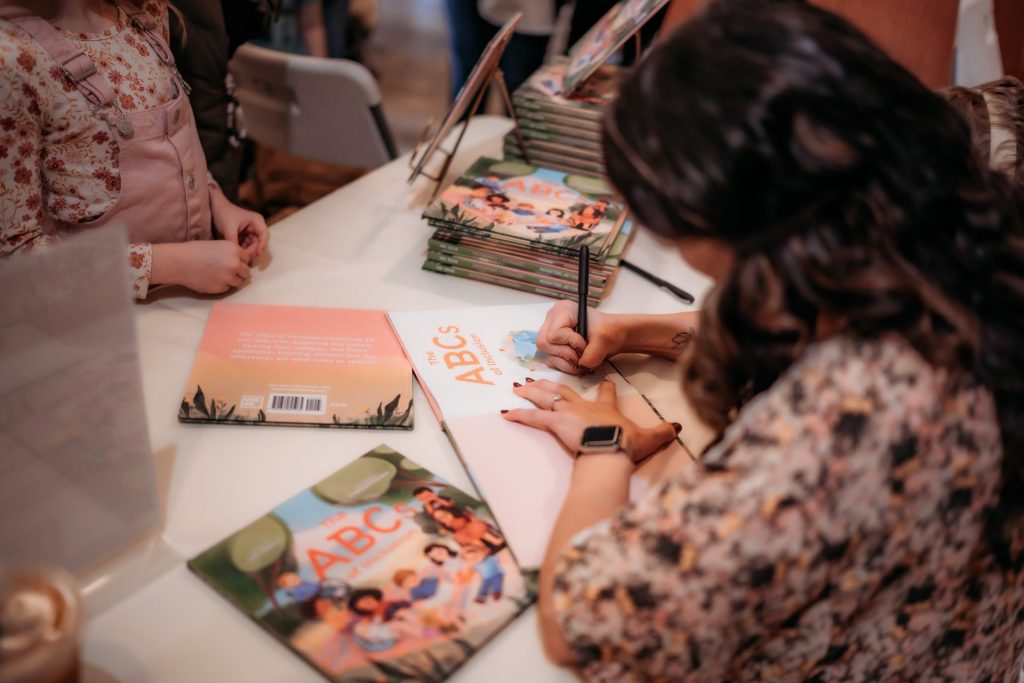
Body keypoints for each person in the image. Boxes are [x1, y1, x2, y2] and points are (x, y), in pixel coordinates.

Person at [502, 1, 1024, 680]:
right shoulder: (955, 233)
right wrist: (644, 330)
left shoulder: (838, 426)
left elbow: (578, 625)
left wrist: (604, 448)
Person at [0, 0, 269, 299]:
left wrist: (217, 203)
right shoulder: (12, 58)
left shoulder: (145, 11)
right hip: (94, 318)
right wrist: (172, 265)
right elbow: (14, 259)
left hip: (190, 298)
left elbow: (171, 146)